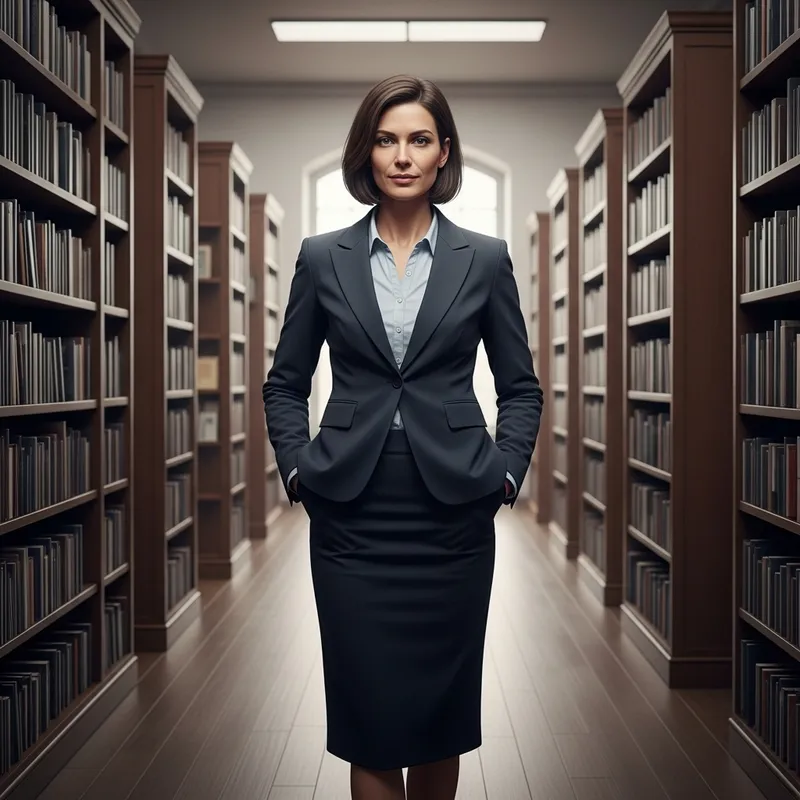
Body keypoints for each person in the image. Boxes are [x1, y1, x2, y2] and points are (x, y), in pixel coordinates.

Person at [263, 74, 543, 800]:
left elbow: (520, 388)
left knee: (438, 720)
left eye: (419, 139)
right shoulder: (324, 257)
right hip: (351, 513)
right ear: (367, 153)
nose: (403, 155)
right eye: (386, 140)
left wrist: (506, 474)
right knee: (371, 721)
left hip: (452, 511)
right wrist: (297, 471)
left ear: (444, 153)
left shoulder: (483, 258)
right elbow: (284, 383)